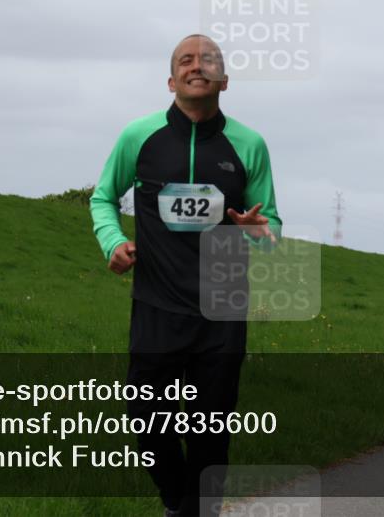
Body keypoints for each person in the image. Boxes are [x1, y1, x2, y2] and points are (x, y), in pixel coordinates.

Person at [90, 34, 282, 517]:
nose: (199, 65)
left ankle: (201, 510)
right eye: (187, 60)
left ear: (224, 80)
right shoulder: (139, 136)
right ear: (172, 79)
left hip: (222, 309)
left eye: (209, 60)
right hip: (156, 304)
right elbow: (103, 198)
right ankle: (180, 503)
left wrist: (258, 228)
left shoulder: (249, 144)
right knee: (145, 421)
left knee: (210, 428)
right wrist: (113, 243)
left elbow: (272, 223)